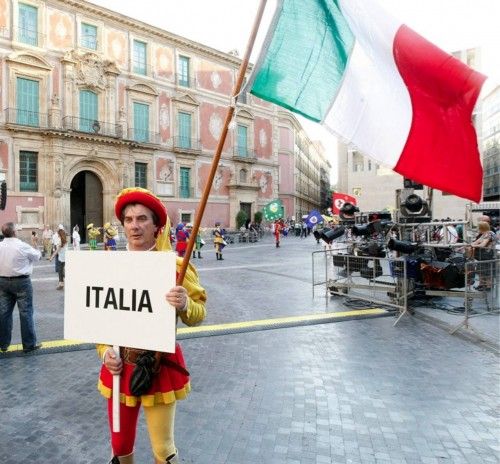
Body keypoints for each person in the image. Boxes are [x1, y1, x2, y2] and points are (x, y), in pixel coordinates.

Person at [97, 187, 206, 464]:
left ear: (156, 225)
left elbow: (197, 315)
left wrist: (183, 304)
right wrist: (105, 352)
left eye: (142, 219)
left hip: (158, 365)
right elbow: (100, 321)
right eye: (129, 219)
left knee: (163, 448)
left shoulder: (176, 268)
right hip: (120, 368)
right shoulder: (109, 268)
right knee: (119, 446)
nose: (135, 226)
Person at [0, 222, 42, 353]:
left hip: (2, 282)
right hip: (22, 282)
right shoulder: (22, 246)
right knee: (26, 312)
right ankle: (29, 344)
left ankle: (3, 344)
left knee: (3, 313)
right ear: (14, 232)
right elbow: (37, 256)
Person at [469, 221, 496, 291]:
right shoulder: (484, 234)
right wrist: (469, 245)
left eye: (478, 227)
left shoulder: (489, 234)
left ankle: (488, 287)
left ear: (482, 228)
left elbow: (482, 245)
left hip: (488, 256)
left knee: (487, 272)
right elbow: (476, 242)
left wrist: (473, 245)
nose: (477, 229)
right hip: (483, 256)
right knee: (481, 271)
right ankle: (482, 285)